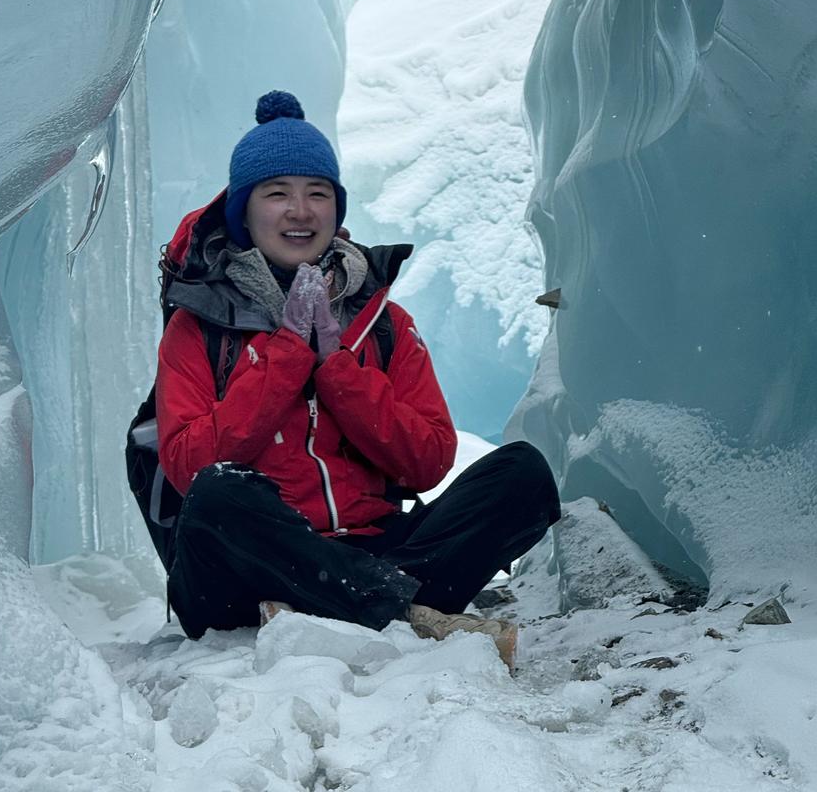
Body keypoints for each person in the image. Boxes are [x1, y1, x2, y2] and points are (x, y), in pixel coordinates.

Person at [155, 91, 560, 666]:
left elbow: (429, 460)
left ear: (337, 210)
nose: (301, 211)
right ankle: (404, 612)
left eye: (317, 193)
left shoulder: (385, 325)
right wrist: (290, 355)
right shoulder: (199, 328)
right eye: (277, 194)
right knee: (218, 492)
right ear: (242, 212)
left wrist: (337, 366)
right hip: (245, 571)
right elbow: (187, 464)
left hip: (375, 546)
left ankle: (340, 607)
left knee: (522, 475)